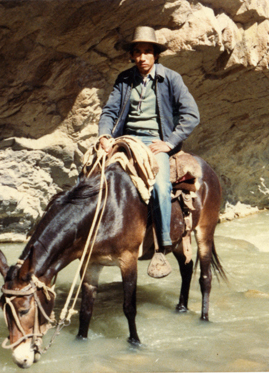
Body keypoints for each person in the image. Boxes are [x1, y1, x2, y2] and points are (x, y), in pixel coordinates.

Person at [97, 26, 200, 278]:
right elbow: (109, 112)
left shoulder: (171, 79)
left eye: (147, 52)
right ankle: (93, 237)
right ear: (132, 55)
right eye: (137, 52)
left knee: (161, 187)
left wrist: (170, 142)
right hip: (126, 140)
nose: (142, 57)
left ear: (156, 55)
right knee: (92, 175)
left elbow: (191, 115)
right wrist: (104, 134)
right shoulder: (124, 79)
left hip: (155, 143)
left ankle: (162, 246)